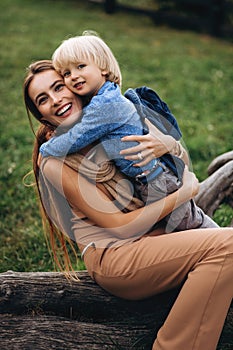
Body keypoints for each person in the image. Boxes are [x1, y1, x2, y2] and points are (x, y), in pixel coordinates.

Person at [24, 60, 233, 350]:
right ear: (41, 116)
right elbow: (120, 226)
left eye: (58, 87)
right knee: (230, 244)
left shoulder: (111, 119)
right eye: (43, 99)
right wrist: (186, 192)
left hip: (155, 238)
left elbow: (177, 161)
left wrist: (166, 145)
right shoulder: (54, 161)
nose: (56, 100)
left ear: (75, 86)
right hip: (116, 256)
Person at [39, 32, 218, 232]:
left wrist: (46, 149)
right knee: (192, 224)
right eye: (66, 73)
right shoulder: (105, 98)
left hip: (154, 180)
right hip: (149, 178)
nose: (73, 76)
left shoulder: (106, 106)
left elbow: (76, 137)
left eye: (80, 67)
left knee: (191, 227)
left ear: (103, 68)